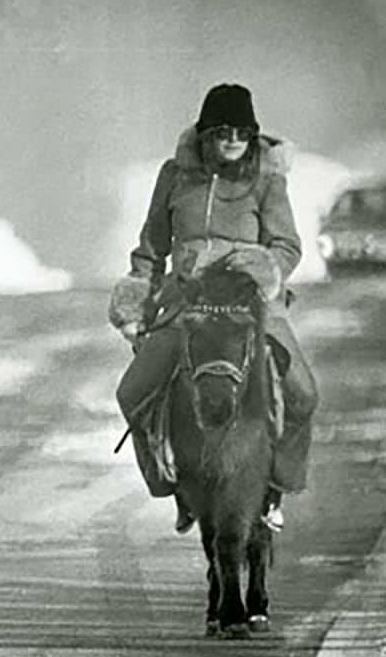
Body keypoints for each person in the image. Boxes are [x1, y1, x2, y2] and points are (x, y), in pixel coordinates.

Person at [110, 83, 318, 533]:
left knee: (302, 394)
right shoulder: (174, 176)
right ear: (206, 134)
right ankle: (176, 485)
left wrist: (264, 267)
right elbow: (151, 248)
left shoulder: (267, 180)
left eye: (243, 131)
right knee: (132, 393)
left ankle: (273, 487)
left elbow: (287, 244)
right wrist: (136, 301)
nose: (233, 139)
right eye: (223, 130)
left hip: (251, 304)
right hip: (187, 304)